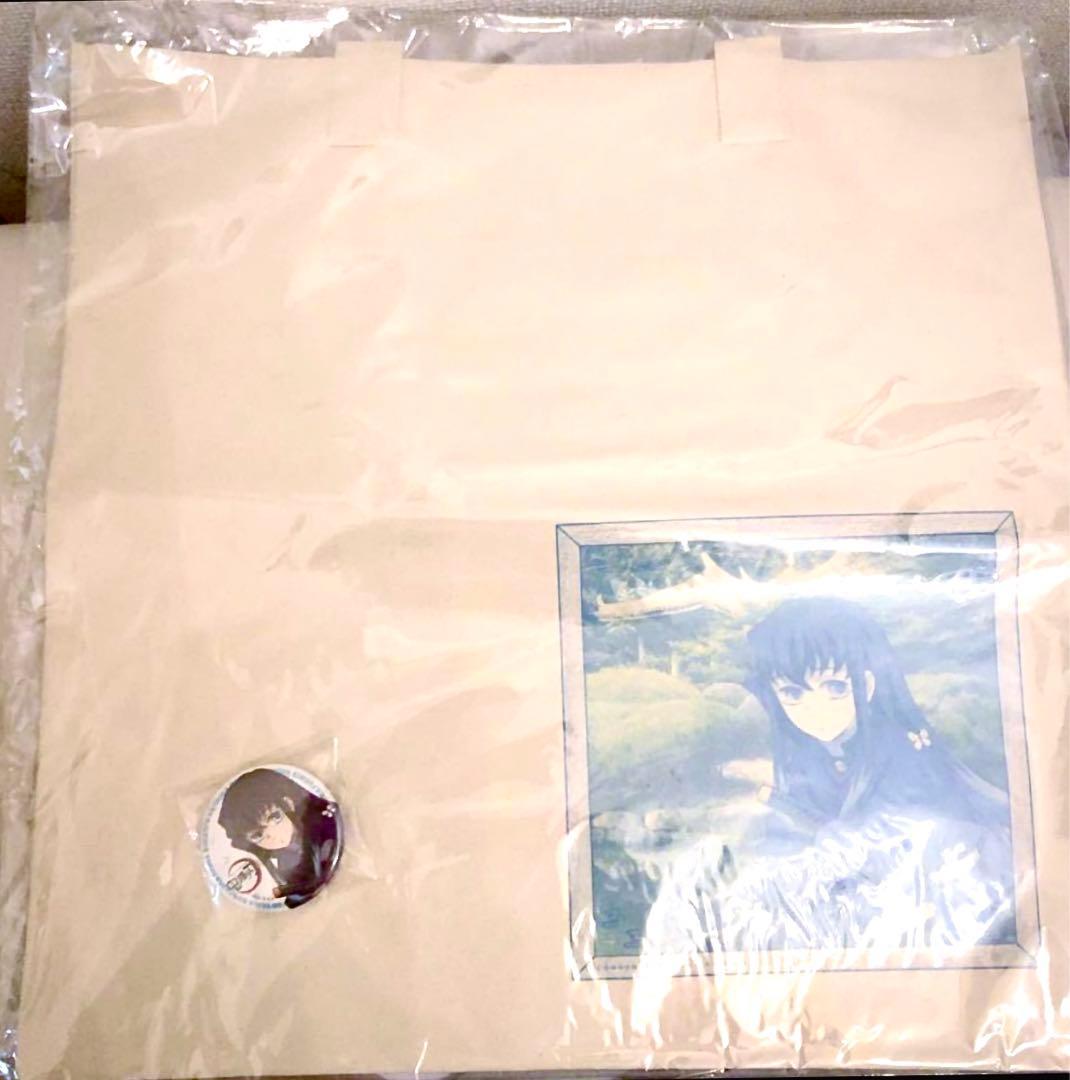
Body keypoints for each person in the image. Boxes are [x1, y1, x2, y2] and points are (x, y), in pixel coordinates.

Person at [639, 597, 1017, 961]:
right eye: (792, 693)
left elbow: (879, 840)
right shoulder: (818, 748)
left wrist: (786, 818)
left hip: (940, 878)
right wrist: (773, 796)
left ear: (867, 684)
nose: (815, 709)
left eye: (835, 688)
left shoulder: (902, 750)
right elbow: (821, 808)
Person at [217, 768, 342, 909]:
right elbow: (296, 895)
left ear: (288, 804)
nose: (273, 834)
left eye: (275, 818)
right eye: (258, 835)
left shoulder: (322, 822)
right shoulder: (284, 865)